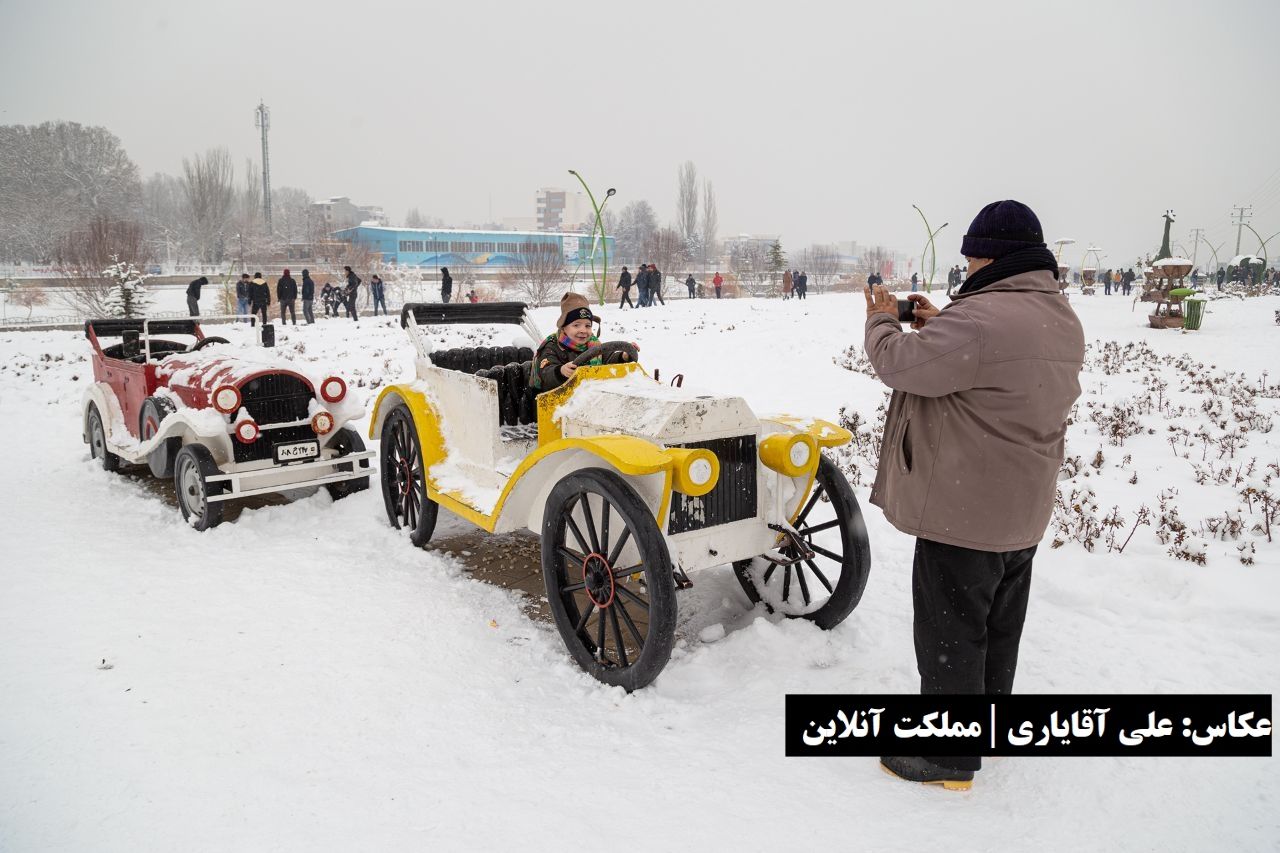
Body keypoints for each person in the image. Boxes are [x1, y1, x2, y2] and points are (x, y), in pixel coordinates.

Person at [865, 200, 1084, 791]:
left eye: (972, 255)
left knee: (950, 627)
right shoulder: (1058, 314)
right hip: (1022, 505)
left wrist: (883, 319)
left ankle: (948, 756)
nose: (966, 266)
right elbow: (993, 364)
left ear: (995, 255)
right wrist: (942, 324)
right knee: (997, 623)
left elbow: (899, 365)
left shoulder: (980, 320)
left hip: (966, 510)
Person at [528, 293, 604, 393]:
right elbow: (546, 372)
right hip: (555, 401)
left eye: (587, 326)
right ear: (564, 327)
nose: (583, 330)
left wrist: (622, 356)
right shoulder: (551, 346)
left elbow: (607, 357)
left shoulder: (594, 345)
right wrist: (561, 371)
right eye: (576, 325)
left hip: (589, 396)